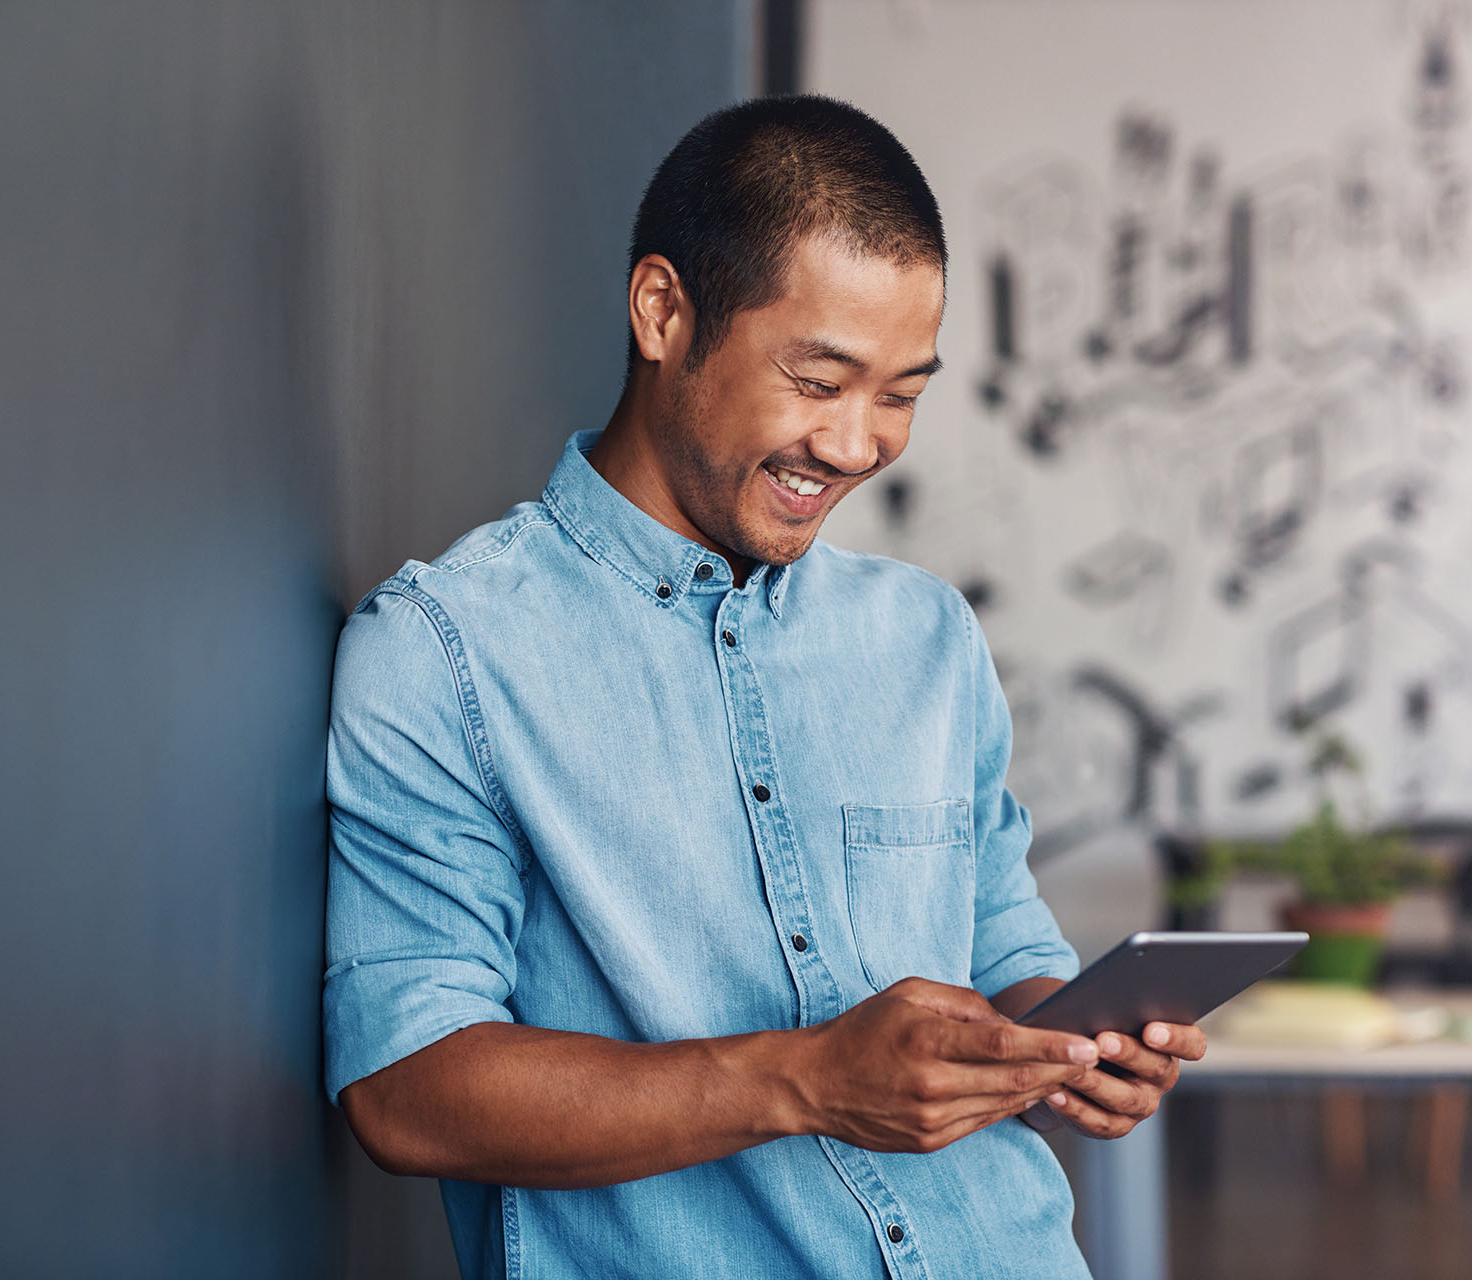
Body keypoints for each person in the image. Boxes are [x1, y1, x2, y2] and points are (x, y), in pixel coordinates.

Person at [323, 94, 1206, 1280]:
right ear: (662, 311)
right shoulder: (446, 648)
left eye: (900, 393)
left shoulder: (928, 636)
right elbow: (405, 1089)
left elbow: (1004, 949)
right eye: (819, 378)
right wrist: (805, 1078)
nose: (856, 445)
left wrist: (1068, 1044)